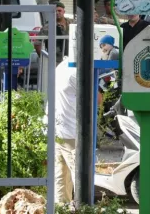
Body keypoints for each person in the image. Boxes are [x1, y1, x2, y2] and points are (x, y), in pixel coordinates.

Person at [54, 56, 104, 206]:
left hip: (57, 127)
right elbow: (98, 99)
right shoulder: (77, 71)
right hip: (72, 131)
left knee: (60, 174)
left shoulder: (62, 66)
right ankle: (83, 208)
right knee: (79, 174)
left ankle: (61, 207)